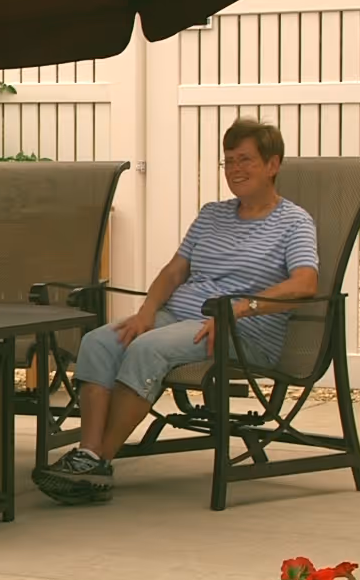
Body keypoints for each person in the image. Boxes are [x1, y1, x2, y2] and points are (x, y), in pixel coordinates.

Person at [33, 118, 319, 506]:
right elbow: (174, 270)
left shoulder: (293, 221)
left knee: (149, 349)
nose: (235, 169)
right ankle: (87, 453)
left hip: (239, 332)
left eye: (246, 160)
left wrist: (240, 308)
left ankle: (100, 462)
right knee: (101, 341)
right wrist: (146, 312)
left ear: (273, 165)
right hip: (179, 318)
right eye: (229, 160)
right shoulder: (213, 214)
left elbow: (305, 283)